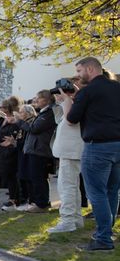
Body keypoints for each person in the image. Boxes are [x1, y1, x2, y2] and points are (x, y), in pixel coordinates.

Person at [62, 57, 120, 251]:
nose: (77, 75)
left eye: (79, 71)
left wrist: (67, 101)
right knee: (112, 190)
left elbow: (71, 119)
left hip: (98, 147)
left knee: (97, 193)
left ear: (90, 69)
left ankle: (103, 239)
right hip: (117, 145)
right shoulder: (117, 87)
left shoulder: (87, 92)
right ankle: (107, 232)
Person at [49, 80, 85, 232]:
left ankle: (68, 221)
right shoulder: (73, 104)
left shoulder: (72, 105)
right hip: (70, 152)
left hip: (71, 152)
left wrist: (67, 99)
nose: (56, 96)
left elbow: (70, 121)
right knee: (72, 187)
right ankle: (75, 219)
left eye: (58, 93)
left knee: (66, 187)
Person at [17, 90, 56, 212]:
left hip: (40, 150)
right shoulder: (43, 112)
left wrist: (19, 121)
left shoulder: (49, 113)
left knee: (38, 177)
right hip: (36, 149)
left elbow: (34, 128)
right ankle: (40, 202)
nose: (36, 100)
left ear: (46, 100)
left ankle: (41, 204)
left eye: (38, 98)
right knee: (36, 177)